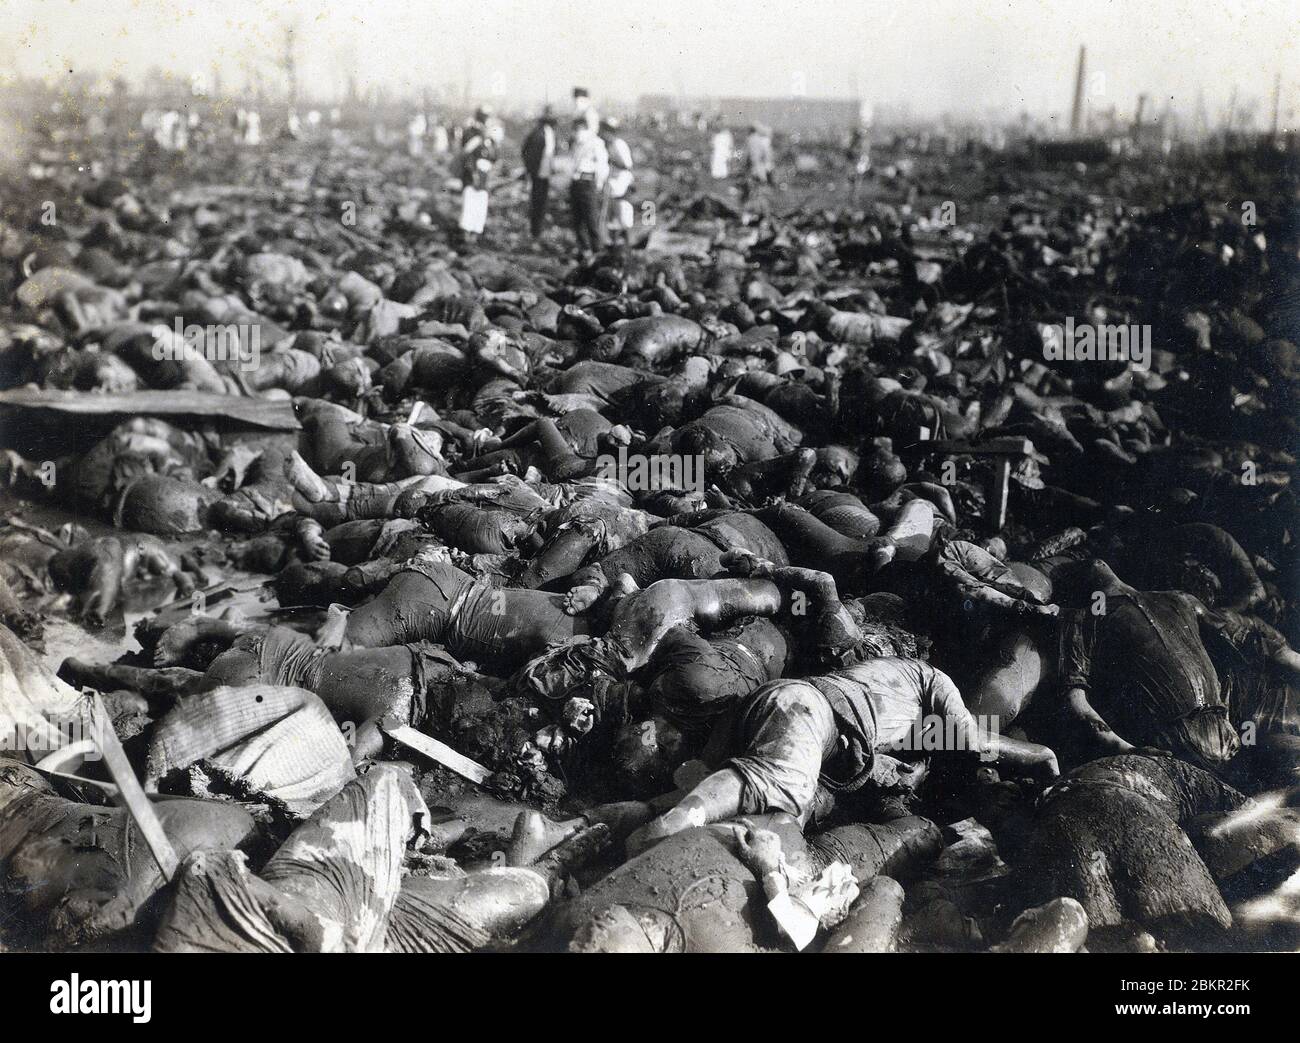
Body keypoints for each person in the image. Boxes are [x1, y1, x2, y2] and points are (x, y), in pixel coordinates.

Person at [627, 657, 1059, 852]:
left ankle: (610, 824)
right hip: (808, 709)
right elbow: (969, 737)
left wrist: (895, 769)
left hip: (776, 707)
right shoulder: (932, 678)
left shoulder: (895, 694)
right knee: (783, 787)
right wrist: (1034, 753)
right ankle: (673, 825)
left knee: (773, 817)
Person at [457, 108, 501, 246]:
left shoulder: (489, 139)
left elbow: (494, 156)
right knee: (470, 203)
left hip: (484, 174)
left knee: (480, 204)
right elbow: (466, 154)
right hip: (472, 173)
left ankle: (474, 234)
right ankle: (466, 235)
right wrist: (473, 172)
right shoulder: (471, 133)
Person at [569, 118, 608, 259]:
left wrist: (598, 184)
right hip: (576, 182)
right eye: (575, 129)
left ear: (586, 129)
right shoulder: (576, 145)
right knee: (577, 219)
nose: (577, 133)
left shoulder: (596, 143)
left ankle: (597, 250)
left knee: (592, 219)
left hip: (588, 182)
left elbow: (602, 165)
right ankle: (584, 250)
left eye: (580, 129)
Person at [521, 107, 557, 240]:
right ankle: (535, 231)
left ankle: (536, 230)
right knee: (537, 202)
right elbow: (528, 153)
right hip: (538, 173)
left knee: (540, 202)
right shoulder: (539, 134)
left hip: (544, 173)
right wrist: (531, 170)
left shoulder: (548, 134)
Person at [599, 118, 634, 244]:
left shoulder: (619, 144)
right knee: (611, 212)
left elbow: (627, 165)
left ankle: (624, 239)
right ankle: (612, 239)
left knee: (622, 211)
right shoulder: (607, 145)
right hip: (612, 181)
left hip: (621, 180)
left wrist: (611, 161)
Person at [743, 123, 774, 208]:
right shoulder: (760, 140)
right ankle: (761, 206)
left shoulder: (749, 139)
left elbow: (747, 155)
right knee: (761, 185)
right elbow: (766, 153)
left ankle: (754, 206)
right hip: (760, 165)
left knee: (753, 186)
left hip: (753, 166)